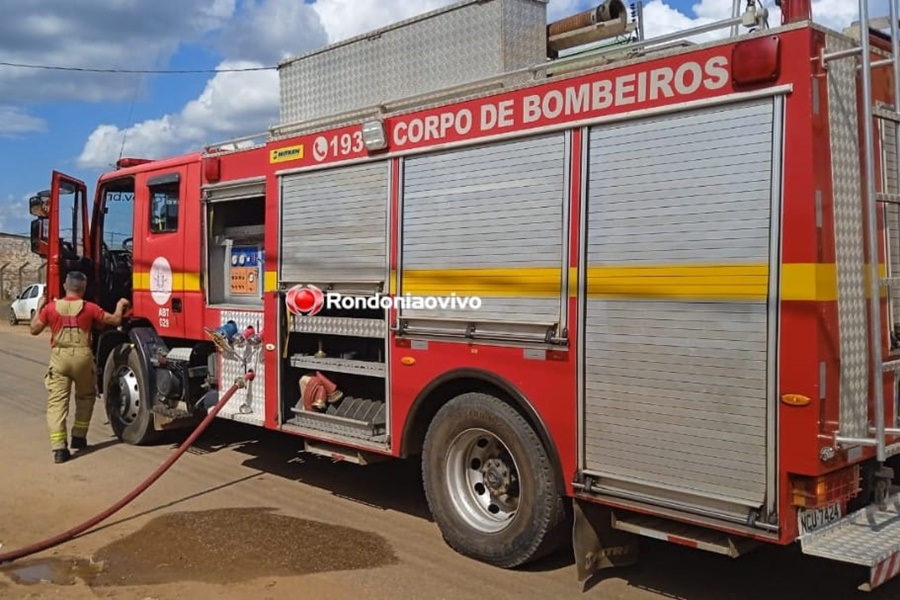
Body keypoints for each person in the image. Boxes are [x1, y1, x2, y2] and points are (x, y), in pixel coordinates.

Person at [30, 271, 129, 464]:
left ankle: (59, 449)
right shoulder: (90, 308)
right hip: (83, 357)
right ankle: (79, 437)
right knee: (85, 397)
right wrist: (120, 305)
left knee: (57, 403)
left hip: (60, 358)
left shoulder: (50, 308)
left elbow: (34, 329)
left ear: (66, 287)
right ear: (83, 289)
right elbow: (115, 320)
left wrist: (38, 307)